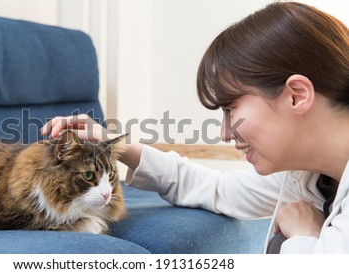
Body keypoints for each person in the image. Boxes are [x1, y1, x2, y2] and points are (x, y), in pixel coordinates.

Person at [40, 2, 349, 253]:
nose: (224, 133)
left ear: (296, 96)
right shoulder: (303, 176)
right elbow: (217, 190)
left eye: (230, 109)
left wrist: (304, 236)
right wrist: (115, 146)